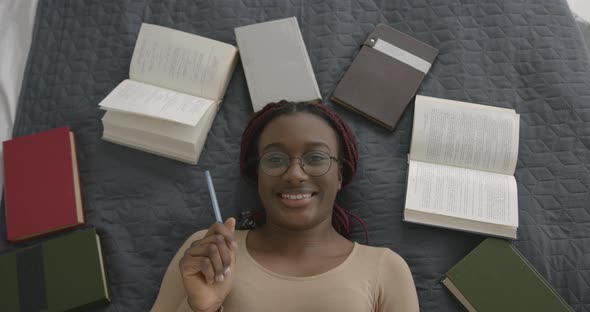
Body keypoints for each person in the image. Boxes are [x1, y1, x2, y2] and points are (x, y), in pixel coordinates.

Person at [151, 101, 419, 312]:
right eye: (275, 159)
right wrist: (200, 309)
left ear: (339, 176)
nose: (294, 174)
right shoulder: (208, 253)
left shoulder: (386, 269)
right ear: (257, 175)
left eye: (315, 158)